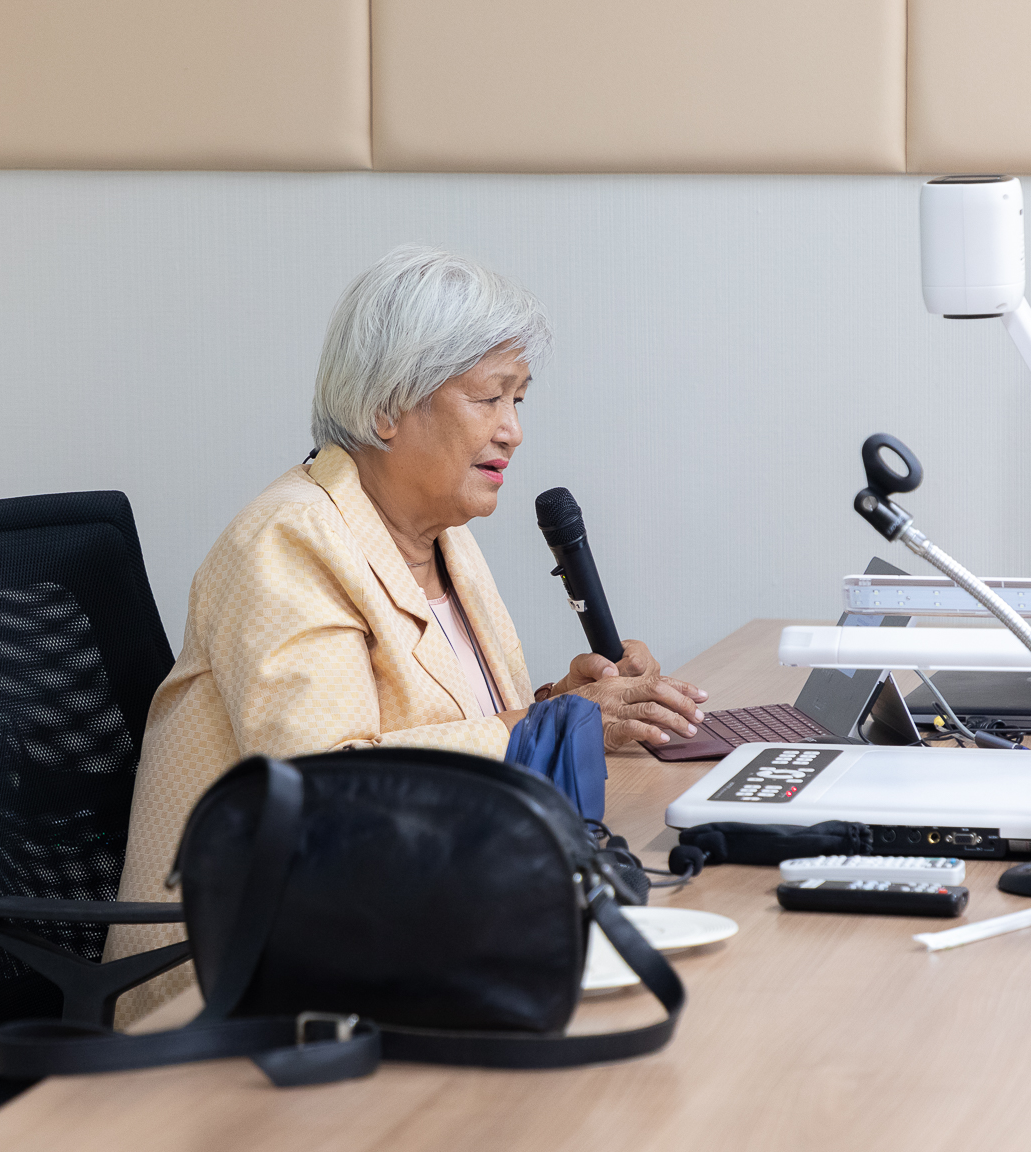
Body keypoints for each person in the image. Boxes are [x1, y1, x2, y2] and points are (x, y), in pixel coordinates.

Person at [105, 244, 707, 1022]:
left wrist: (570, 706)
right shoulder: (286, 542)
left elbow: (459, 729)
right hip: (243, 983)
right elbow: (325, 791)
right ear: (387, 407)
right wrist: (548, 726)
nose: (514, 430)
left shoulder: (445, 538)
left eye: (520, 399)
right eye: (489, 398)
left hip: (414, 923)